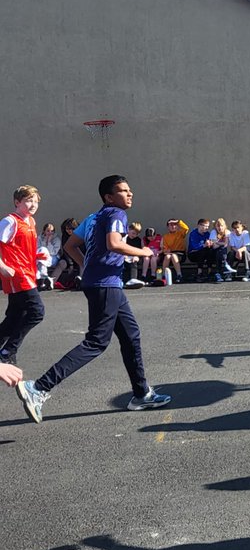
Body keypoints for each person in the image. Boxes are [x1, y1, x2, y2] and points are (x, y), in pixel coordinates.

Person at [17, 174, 171, 424]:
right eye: (123, 191)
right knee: (96, 342)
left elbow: (71, 246)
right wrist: (143, 252)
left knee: (131, 335)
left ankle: (141, 394)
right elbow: (114, 244)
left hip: (104, 284)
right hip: (105, 286)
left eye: (130, 190)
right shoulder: (115, 214)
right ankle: (39, 387)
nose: (129, 194)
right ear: (109, 197)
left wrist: (85, 267)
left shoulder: (93, 217)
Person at [0, 185, 45, 364]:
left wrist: (39, 255)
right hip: (17, 275)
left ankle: (4, 350)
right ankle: (8, 351)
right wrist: (2, 266)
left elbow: (21, 249)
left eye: (36, 201)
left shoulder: (31, 222)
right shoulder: (10, 221)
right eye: (28, 200)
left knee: (15, 316)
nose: (33, 204)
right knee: (37, 312)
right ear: (17, 202)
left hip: (29, 273)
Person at [159, 217, 189, 284]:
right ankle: (164, 275)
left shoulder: (180, 233)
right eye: (171, 225)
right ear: (168, 227)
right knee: (168, 257)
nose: (173, 226)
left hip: (180, 254)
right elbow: (165, 248)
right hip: (170, 253)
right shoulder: (165, 237)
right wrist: (166, 251)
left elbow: (186, 228)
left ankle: (179, 275)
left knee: (173, 256)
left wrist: (178, 221)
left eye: (174, 224)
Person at [37, 223, 60, 289]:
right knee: (41, 257)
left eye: (52, 231)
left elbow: (53, 252)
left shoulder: (56, 239)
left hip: (53, 258)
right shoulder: (39, 238)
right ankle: (44, 278)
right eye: (48, 231)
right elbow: (38, 249)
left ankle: (42, 278)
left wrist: (49, 242)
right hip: (41, 257)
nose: (50, 233)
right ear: (44, 231)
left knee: (42, 258)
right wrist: (45, 242)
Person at [122, 222, 145, 287]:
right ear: (129, 230)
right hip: (125, 256)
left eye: (136, 234)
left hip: (135, 257)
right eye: (133, 233)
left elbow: (140, 250)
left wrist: (137, 256)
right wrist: (124, 255)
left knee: (133, 262)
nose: (134, 235)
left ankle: (133, 279)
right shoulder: (124, 238)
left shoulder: (138, 240)